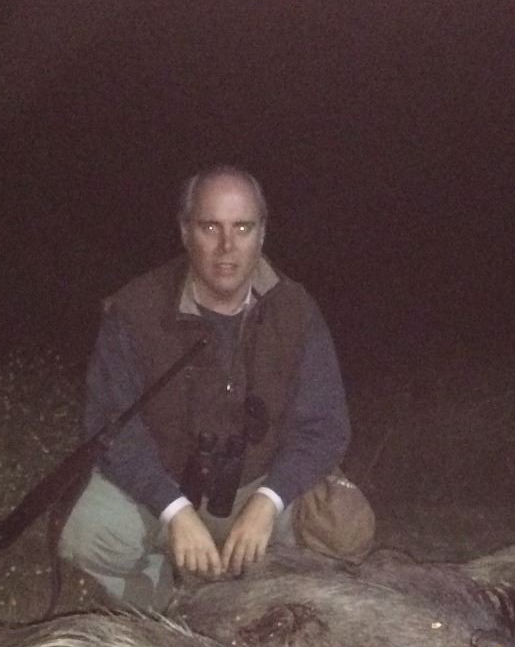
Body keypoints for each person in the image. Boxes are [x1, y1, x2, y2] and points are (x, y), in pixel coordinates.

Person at [58, 166, 372, 607]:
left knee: (346, 529)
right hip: (165, 487)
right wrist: (174, 511)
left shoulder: (296, 309)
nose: (227, 246)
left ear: (262, 233)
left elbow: (324, 427)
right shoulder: (135, 309)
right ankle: (165, 600)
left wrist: (268, 502)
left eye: (242, 228)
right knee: (87, 533)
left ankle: (270, 596)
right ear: (185, 232)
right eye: (210, 227)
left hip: (259, 486)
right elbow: (111, 426)